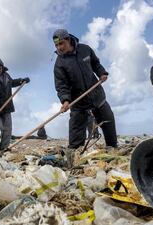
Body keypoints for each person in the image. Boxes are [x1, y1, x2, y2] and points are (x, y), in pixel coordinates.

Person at [52, 29, 117, 167]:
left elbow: (96, 64)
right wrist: (65, 100)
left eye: (61, 44)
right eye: (56, 46)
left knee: (108, 119)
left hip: (96, 94)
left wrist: (102, 73)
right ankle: (74, 159)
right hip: (78, 101)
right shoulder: (59, 63)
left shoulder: (85, 49)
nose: (59, 48)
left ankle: (113, 148)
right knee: (76, 130)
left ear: (68, 40)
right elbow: (61, 85)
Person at [0, 57, 30, 153]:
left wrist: (21, 81)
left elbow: (12, 83)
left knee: (7, 128)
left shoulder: (6, 75)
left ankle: (3, 148)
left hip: (7, 107)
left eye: (0, 68)